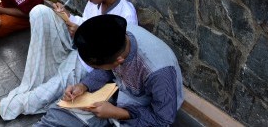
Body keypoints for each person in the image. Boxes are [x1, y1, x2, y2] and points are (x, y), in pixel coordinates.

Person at [0, 0, 139, 121]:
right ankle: (38, 75)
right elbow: (84, 22)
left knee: (44, 91)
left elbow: (115, 59)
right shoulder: (95, 2)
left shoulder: (126, 15)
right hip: (76, 46)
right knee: (40, 12)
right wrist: (67, 16)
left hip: (87, 63)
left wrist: (81, 34)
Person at [34, 15, 184, 126]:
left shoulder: (158, 72)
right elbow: (106, 69)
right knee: (59, 114)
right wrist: (83, 86)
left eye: (96, 67)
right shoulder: (115, 36)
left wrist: (118, 113)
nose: (94, 70)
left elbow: (163, 119)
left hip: (146, 108)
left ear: (119, 61)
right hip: (119, 91)